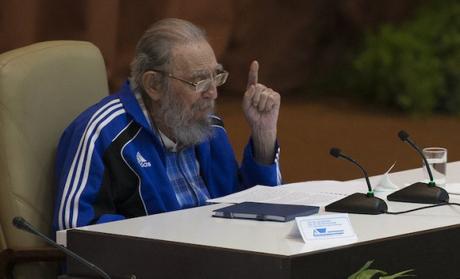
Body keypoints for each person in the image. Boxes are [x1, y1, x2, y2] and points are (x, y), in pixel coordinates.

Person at [53, 18, 281, 232]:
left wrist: (264, 135)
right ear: (154, 85)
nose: (212, 93)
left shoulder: (209, 127)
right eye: (199, 81)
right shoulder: (102, 134)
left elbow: (253, 207)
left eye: (216, 76)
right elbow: (73, 228)